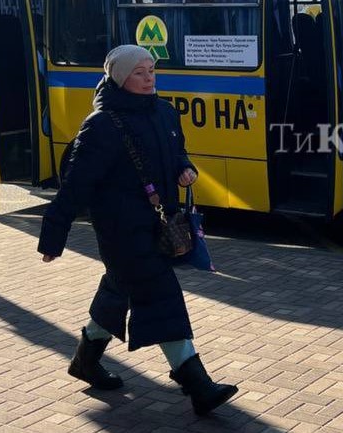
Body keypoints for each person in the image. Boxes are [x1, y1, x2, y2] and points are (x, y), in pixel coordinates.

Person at [38, 44, 237, 415]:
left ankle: (85, 360)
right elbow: (76, 185)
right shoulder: (101, 125)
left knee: (119, 291)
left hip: (157, 225)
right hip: (122, 232)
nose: (149, 79)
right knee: (162, 295)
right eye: (139, 73)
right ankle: (198, 385)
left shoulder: (164, 111)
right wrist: (54, 235)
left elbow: (176, 152)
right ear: (119, 77)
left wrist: (184, 167)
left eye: (151, 70)